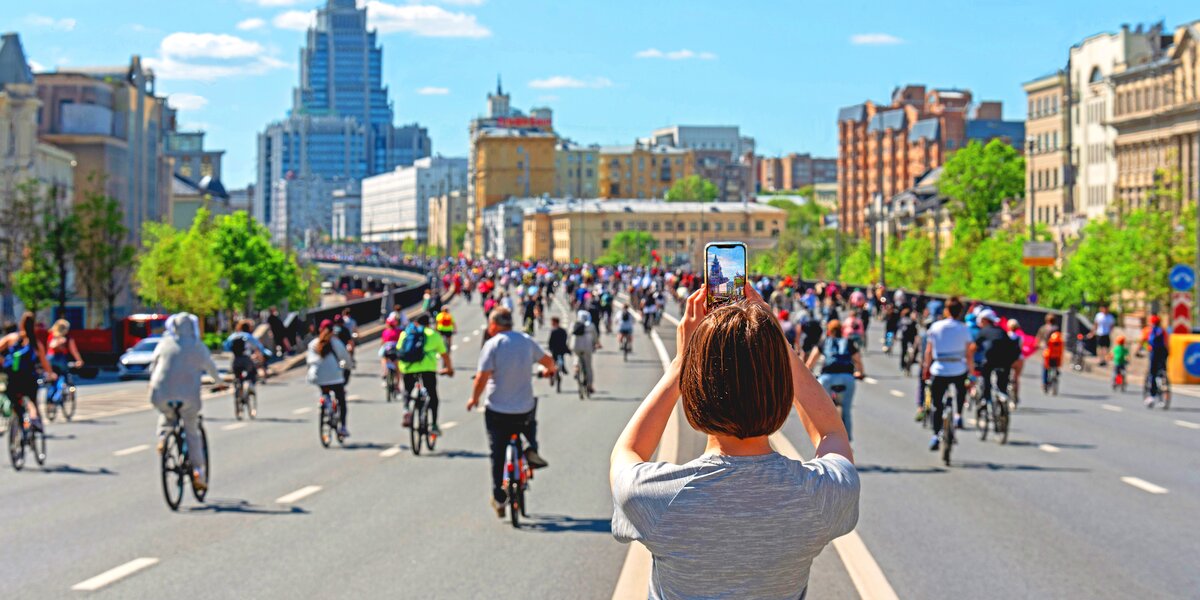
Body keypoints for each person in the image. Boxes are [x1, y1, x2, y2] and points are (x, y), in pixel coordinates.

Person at [610, 286, 857, 600]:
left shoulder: (653, 497)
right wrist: (777, 347)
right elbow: (831, 433)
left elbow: (627, 451)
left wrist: (679, 364)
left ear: (694, 391)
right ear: (782, 391)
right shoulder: (822, 495)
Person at [466, 308, 555, 517]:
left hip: (497, 409)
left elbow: (482, 377)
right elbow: (549, 362)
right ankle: (530, 447)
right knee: (529, 421)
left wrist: (474, 399)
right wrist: (548, 371)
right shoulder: (526, 341)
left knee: (497, 453)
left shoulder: (493, 344)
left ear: (495, 325)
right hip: (524, 407)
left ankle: (499, 496)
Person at [148, 313, 221, 491]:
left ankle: (163, 437)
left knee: (167, 414)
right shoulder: (197, 346)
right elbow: (211, 368)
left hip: (159, 392)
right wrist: (219, 382)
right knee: (192, 431)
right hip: (188, 396)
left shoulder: (164, 343)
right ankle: (198, 472)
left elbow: (153, 366)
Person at [922, 297, 974, 450]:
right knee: (960, 390)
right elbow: (969, 353)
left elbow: (929, 351)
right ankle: (958, 415)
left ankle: (935, 434)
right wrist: (972, 373)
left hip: (939, 368)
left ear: (946, 310)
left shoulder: (936, 327)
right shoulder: (964, 328)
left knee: (937, 404)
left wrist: (926, 369)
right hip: (958, 367)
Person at [806, 319, 865, 439]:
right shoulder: (848, 342)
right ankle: (847, 440)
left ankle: (824, 437)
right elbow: (858, 360)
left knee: (824, 410)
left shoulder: (824, 342)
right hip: (847, 378)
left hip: (827, 378)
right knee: (847, 411)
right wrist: (861, 373)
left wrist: (809, 373)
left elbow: (810, 362)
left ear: (829, 331)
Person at [399, 313, 454, 434]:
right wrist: (449, 369)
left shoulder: (405, 334)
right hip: (427, 369)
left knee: (407, 390)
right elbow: (445, 355)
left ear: (416, 323)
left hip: (408, 368)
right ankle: (433, 425)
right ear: (429, 323)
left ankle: (406, 409)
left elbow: (400, 353)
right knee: (433, 395)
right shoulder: (433, 334)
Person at [1, 312, 56, 432]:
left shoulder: (12, 338)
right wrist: (51, 374)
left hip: (13, 377)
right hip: (29, 378)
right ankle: (34, 418)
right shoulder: (35, 343)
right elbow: (45, 363)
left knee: (15, 401)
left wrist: (3, 361)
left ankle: (21, 422)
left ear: (21, 324)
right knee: (32, 401)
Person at [307, 319, 351, 438]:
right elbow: (345, 358)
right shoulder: (336, 342)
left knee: (324, 389)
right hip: (335, 376)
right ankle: (343, 428)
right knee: (341, 400)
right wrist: (348, 367)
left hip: (318, 377)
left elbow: (309, 362)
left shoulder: (313, 344)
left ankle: (325, 399)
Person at [973, 309, 1019, 410]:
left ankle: (986, 398)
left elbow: (974, 347)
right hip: (1005, 362)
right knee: (1002, 382)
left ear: (985, 320)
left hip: (989, 360)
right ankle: (1002, 395)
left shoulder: (983, 331)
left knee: (986, 378)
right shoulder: (1001, 331)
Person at [46, 319, 84, 402]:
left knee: (53, 378)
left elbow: (48, 348)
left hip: (50, 359)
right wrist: (79, 360)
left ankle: (50, 398)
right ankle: (65, 389)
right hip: (61, 359)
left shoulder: (51, 335)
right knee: (64, 375)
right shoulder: (67, 338)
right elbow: (74, 351)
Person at [571, 310, 600, 394]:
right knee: (588, 367)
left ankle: (576, 368)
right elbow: (595, 337)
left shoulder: (574, 324)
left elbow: (569, 335)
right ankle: (590, 385)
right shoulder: (590, 325)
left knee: (576, 356)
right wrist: (597, 343)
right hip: (587, 347)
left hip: (576, 346)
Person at [1143, 315, 1169, 407]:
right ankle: (1164, 383)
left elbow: (1143, 340)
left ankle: (1152, 395)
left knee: (1152, 373)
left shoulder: (1148, 330)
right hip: (1163, 352)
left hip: (1154, 352)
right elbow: (1167, 342)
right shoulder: (1163, 331)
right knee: (1162, 370)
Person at [1036, 314, 1063, 392]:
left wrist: (1038, 345)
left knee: (1045, 366)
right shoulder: (1057, 328)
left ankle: (1045, 383)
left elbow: (1038, 338)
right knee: (1056, 362)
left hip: (1047, 350)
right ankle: (1057, 371)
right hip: (1056, 351)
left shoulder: (1043, 328)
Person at [379, 315, 403, 389]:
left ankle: (385, 372)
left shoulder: (385, 332)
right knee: (398, 369)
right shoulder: (399, 331)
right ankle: (398, 386)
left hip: (387, 351)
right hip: (396, 351)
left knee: (382, 358)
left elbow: (382, 342)